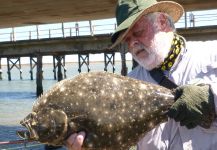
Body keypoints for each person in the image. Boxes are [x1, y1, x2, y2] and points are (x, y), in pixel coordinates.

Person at [66, 0, 217, 149]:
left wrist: (212, 98)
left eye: (138, 32)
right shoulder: (126, 85)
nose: (132, 44)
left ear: (162, 22)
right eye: (127, 40)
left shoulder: (212, 54)